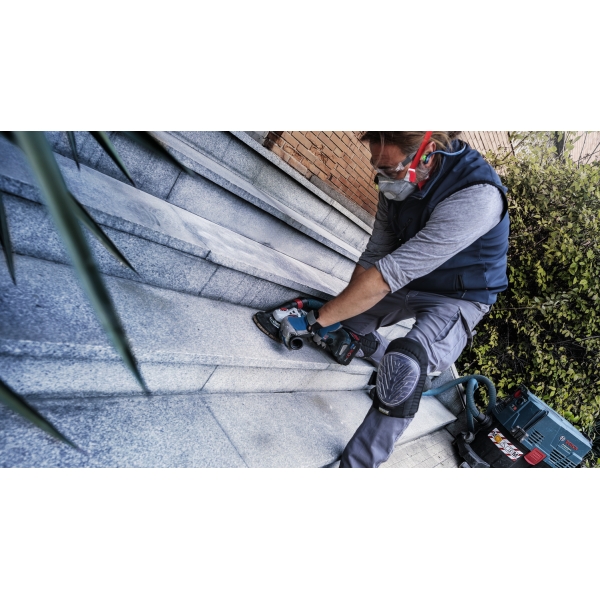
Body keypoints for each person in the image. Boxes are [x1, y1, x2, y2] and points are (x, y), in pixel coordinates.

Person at [280, 131, 510, 468]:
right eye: (378, 167)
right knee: (345, 326)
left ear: (427, 153)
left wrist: (318, 318)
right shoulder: (396, 183)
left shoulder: (477, 196)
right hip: (412, 277)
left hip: (459, 296)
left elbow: (390, 274)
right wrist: (341, 312)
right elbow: (376, 253)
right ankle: (370, 345)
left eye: (389, 169)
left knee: (405, 367)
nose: (383, 178)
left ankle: (357, 466)